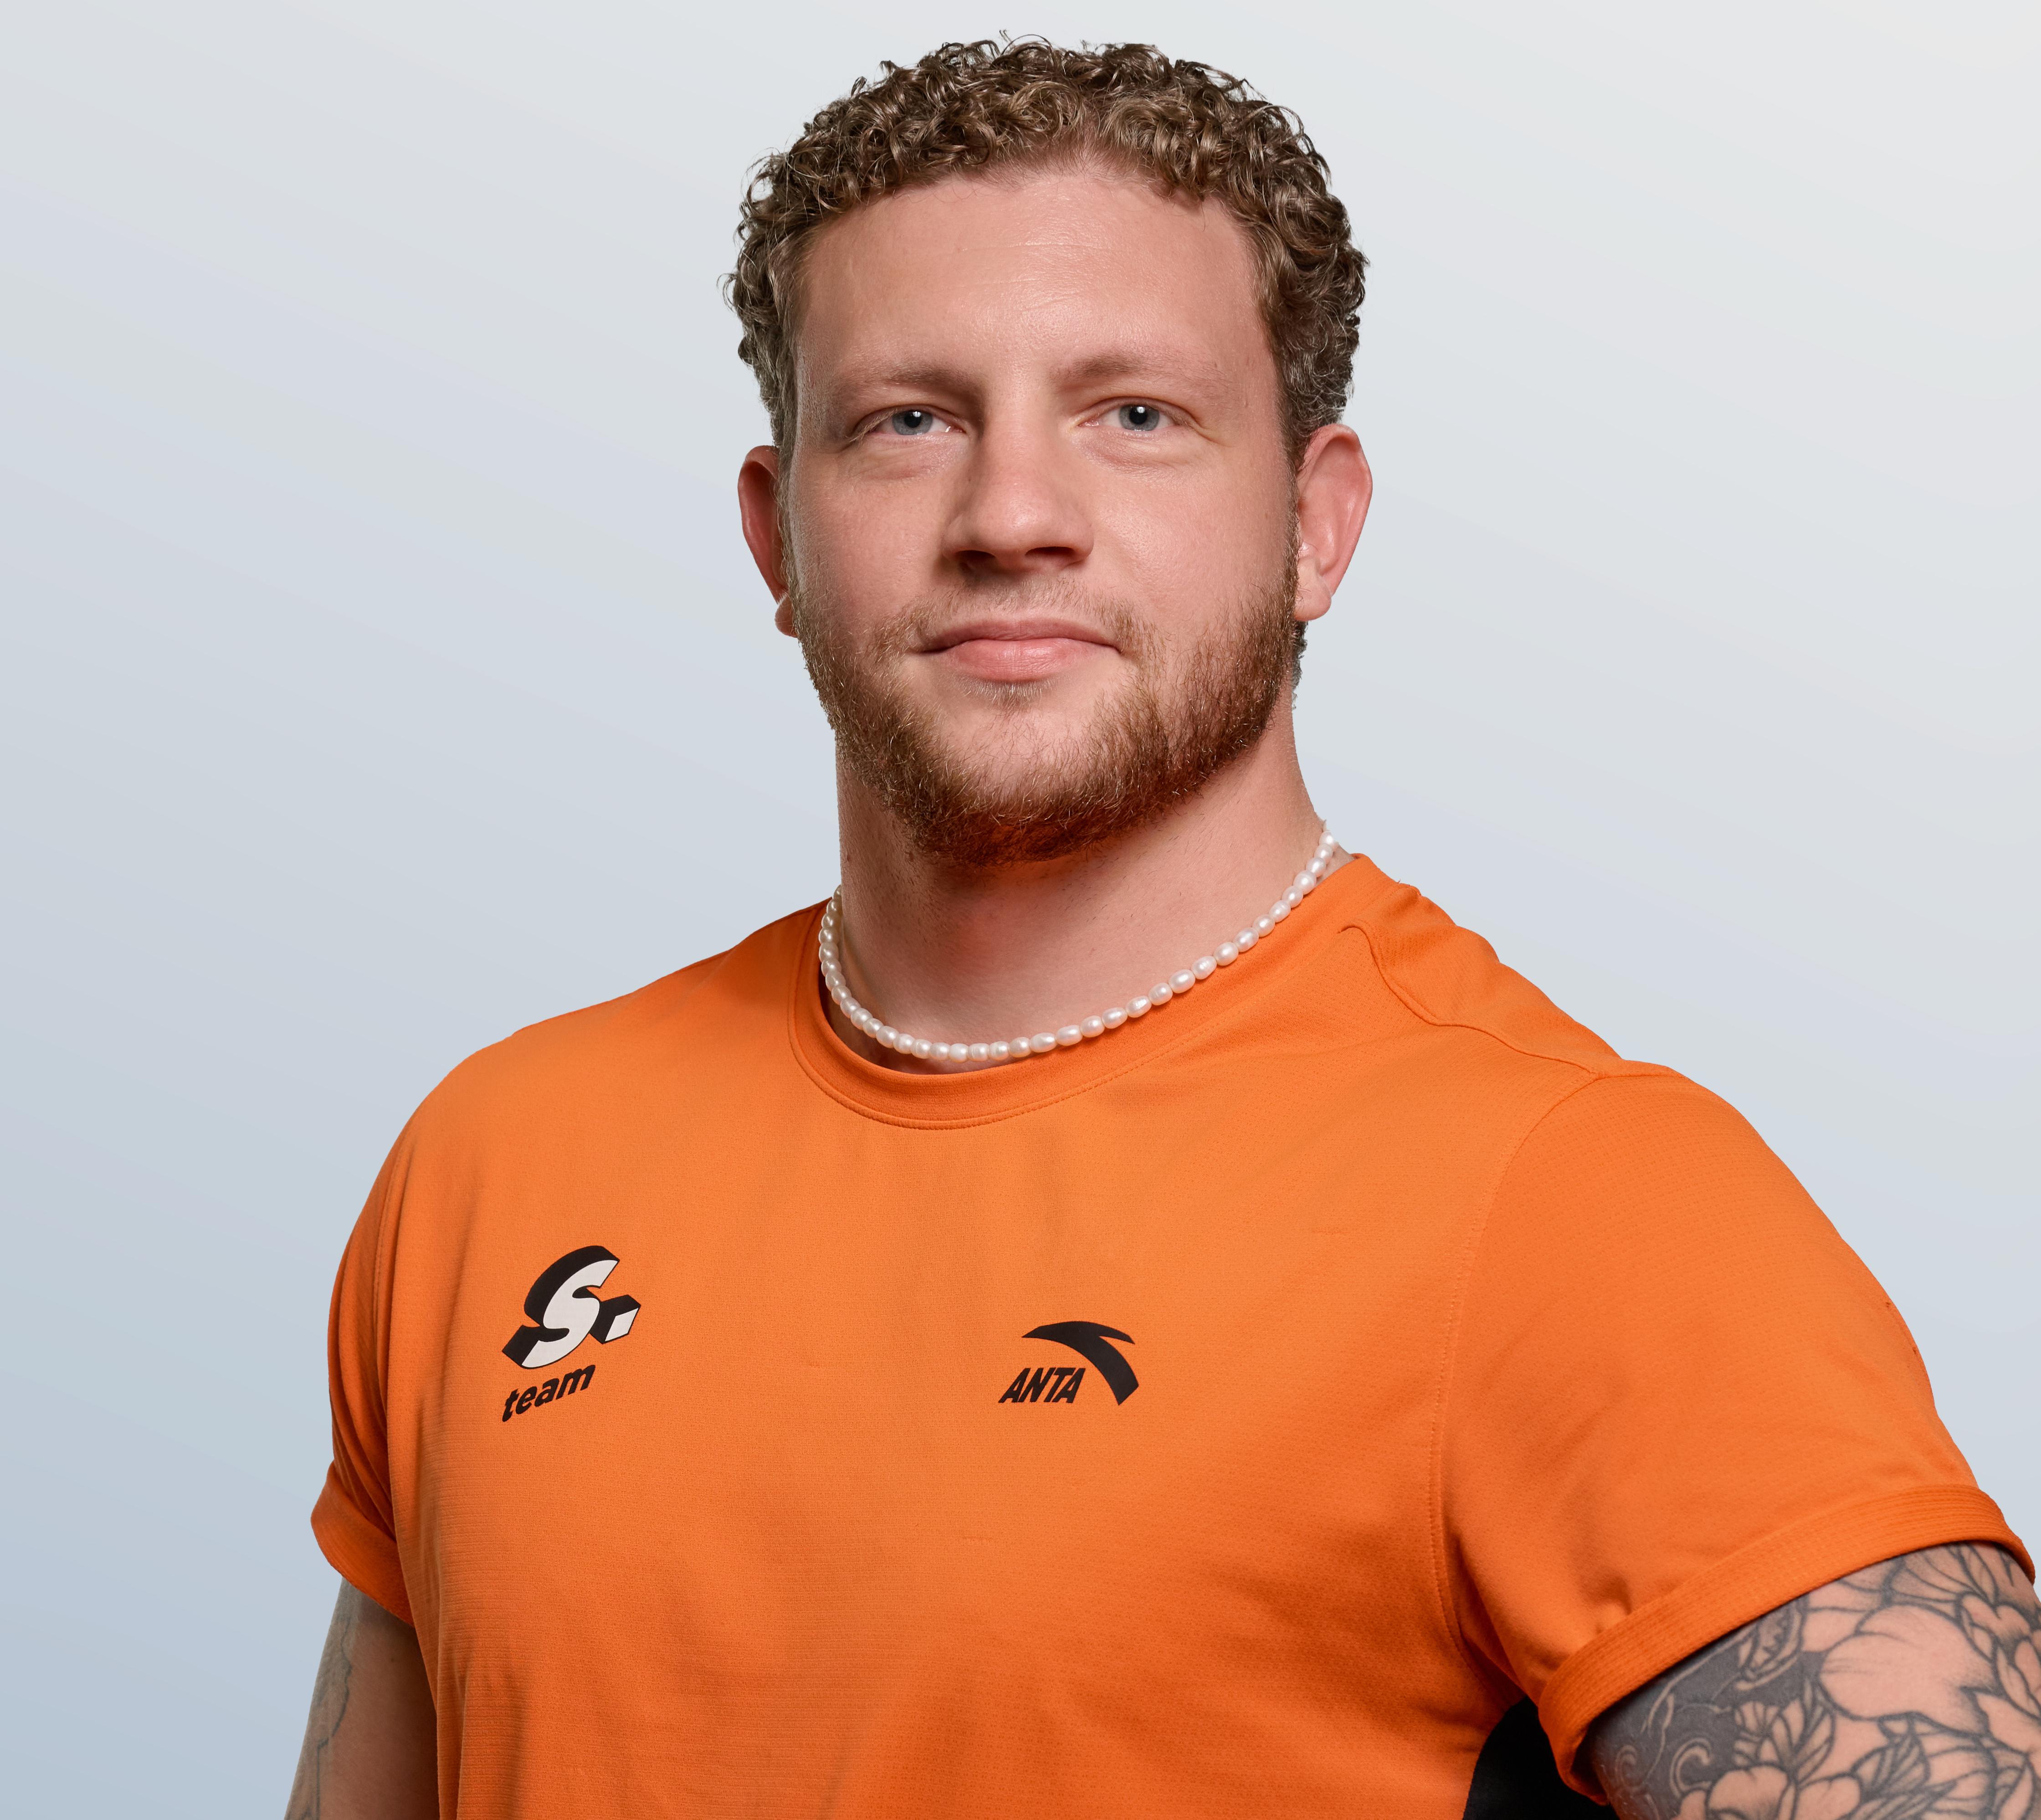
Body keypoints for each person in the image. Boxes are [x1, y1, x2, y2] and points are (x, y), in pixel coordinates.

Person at [288, 39, 2035, 1820]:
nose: (1012, 518)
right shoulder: (494, 1165)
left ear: (1315, 526)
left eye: (1134, 415)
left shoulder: (1575, 1202)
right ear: (775, 536)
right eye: (908, 421)